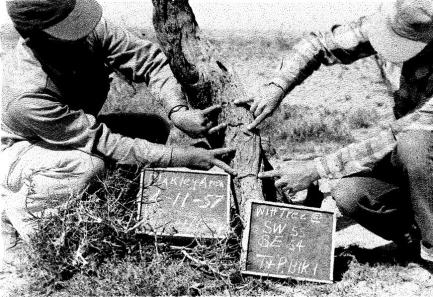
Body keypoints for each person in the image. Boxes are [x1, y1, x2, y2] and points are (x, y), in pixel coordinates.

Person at [0, 0, 236, 258]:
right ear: (38, 37)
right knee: (87, 165)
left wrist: (177, 111)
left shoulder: (88, 31)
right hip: (20, 152)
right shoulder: (27, 95)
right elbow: (105, 143)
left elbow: (150, 61)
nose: (79, 33)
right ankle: (28, 216)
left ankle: (107, 203)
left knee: (152, 127)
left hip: (71, 133)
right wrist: (184, 157)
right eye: (67, 30)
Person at [235, 0, 433, 264]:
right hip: (420, 158)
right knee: (351, 194)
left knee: (414, 147)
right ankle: (413, 239)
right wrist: (277, 86)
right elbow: (318, 44)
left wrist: (316, 168)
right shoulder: (385, 22)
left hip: (422, 145)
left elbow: (405, 132)